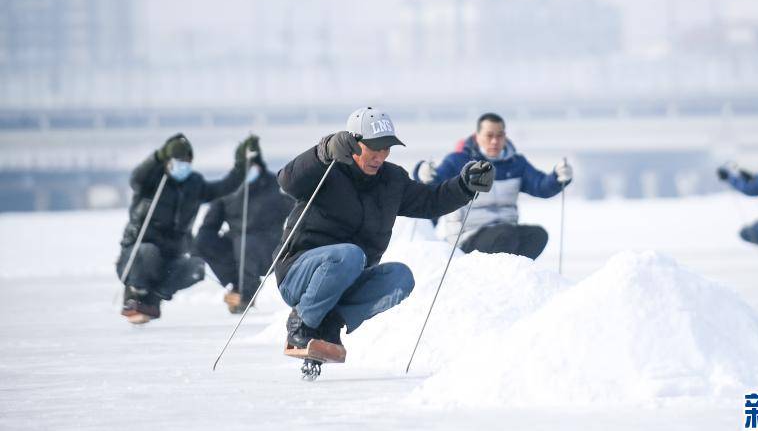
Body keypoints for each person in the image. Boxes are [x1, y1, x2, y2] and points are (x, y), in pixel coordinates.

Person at [275, 106, 494, 355]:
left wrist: (464, 186)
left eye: (386, 148)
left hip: (348, 276)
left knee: (400, 277)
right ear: (354, 143)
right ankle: (301, 322)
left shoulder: (392, 181)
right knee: (351, 254)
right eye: (374, 148)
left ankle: (331, 322)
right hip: (299, 274)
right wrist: (324, 150)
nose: (380, 156)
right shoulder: (328, 168)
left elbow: (431, 201)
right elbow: (287, 181)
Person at [116, 133, 258, 323]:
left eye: (186, 161)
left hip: (171, 255)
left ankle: (154, 299)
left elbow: (224, 187)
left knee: (196, 268)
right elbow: (136, 179)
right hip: (136, 254)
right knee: (148, 253)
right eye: (177, 160)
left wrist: (241, 165)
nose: (182, 166)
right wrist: (158, 155)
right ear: (167, 161)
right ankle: (135, 293)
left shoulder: (195, 184)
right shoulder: (153, 179)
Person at [413, 112, 571, 259]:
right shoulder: (458, 161)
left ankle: (515, 276)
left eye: (499, 135)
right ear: (477, 137)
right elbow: (434, 184)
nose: (494, 141)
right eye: (489, 136)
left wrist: (558, 177)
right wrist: (423, 174)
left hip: (506, 234)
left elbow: (540, 186)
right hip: (468, 237)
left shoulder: (517, 164)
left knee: (537, 235)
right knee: (504, 235)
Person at [192, 139, 294, 313]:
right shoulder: (227, 188)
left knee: (246, 243)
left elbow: (297, 212)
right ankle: (238, 285)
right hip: (235, 247)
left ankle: (246, 295)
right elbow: (209, 225)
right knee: (203, 241)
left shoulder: (277, 186)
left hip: (267, 249)